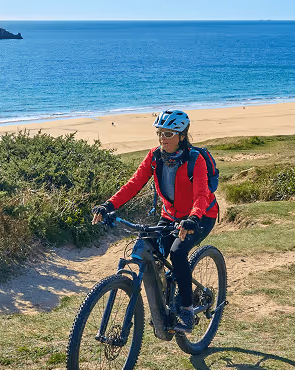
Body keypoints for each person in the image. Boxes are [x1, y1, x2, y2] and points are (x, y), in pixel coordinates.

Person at [91, 109, 220, 334]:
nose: (163, 138)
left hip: (200, 216)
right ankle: (167, 298)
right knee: (152, 249)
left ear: (182, 135)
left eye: (169, 134)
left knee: (178, 253)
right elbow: (133, 185)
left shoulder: (194, 160)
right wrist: (108, 205)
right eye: (160, 133)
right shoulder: (154, 157)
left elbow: (201, 194)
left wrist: (193, 218)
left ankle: (188, 311)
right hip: (170, 216)